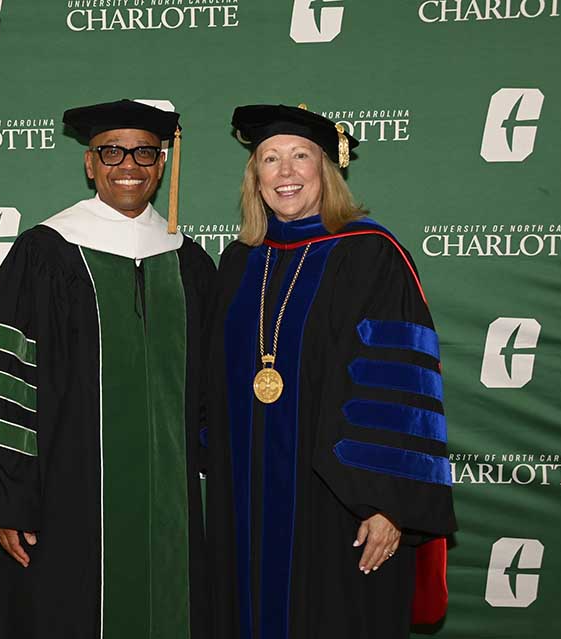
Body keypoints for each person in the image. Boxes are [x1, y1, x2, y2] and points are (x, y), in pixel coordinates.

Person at [0, 99, 214, 639]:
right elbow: (5, 377)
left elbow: (211, 389)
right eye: (112, 151)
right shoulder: (46, 253)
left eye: (144, 152)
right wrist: (7, 497)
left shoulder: (190, 262)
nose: (128, 164)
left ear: (162, 163)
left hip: (172, 505)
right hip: (66, 495)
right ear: (90, 163)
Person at [205, 104, 457, 639]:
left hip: (341, 505)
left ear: (327, 170)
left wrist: (388, 505)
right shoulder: (239, 262)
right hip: (245, 499)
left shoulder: (372, 255)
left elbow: (404, 387)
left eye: (301, 156)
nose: (286, 172)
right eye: (270, 160)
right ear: (256, 178)